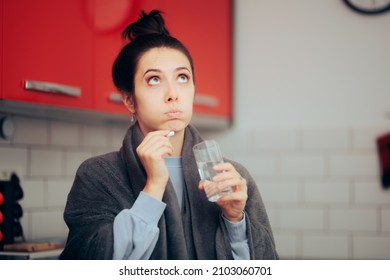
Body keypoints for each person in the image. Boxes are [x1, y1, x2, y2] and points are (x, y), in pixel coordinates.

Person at [60, 10, 278, 260]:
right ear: (129, 99)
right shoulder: (97, 176)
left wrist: (235, 219)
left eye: (182, 77)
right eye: (154, 80)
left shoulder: (232, 178)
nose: (173, 93)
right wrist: (153, 187)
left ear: (194, 89)